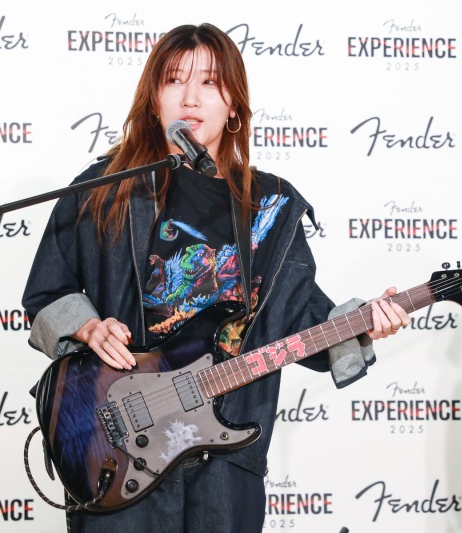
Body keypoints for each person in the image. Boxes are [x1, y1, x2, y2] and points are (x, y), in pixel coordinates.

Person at [22, 22, 411, 533]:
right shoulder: (107, 187)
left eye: (209, 82)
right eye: (174, 80)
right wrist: (88, 327)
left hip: (226, 462)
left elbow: (299, 321)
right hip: (121, 449)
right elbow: (47, 291)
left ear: (234, 105)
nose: (190, 97)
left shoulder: (270, 205)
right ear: (153, 99)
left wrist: (364, 324)